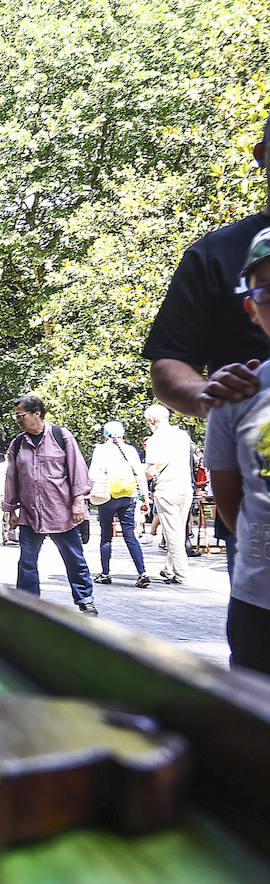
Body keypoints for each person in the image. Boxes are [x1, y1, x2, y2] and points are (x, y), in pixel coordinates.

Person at [144, 112, 270, 574]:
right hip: (259, 487)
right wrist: (212, 396)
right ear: (262, 156)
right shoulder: (215, 255)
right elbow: (168, 363)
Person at [205, 226, 270, 674]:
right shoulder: (236, 396)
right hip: (259, 606)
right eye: (267, 291)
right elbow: (232, 508)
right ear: (252, 308)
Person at [2, 395, 97, 615]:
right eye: (16, 415)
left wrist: (78, 502)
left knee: (74, 558)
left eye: (21, 415)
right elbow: (12, 477)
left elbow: (78, 471)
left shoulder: (61, 436)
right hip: (29, 513)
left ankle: (85, 599)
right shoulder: (18, 443)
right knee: (27, 560)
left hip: (61, 512)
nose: (17, 419)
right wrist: (10, 510)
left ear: (37, 413)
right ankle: (27, 602)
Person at [87, 421, 150, 588]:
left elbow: (92, 474)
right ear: (123, 434)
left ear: (105, 434)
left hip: (107, 497)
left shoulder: (100, 450)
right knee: (130, 534)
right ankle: (142, 573)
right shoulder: (130, 450)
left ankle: (105, 573)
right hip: (128, 496)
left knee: (106, 535)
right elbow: (139, 474)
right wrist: (145, 496)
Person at [143, 404, 193, 584]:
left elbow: (152, 469)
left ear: (152, 421)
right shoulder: (182, 435)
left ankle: (182, 574)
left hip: (167, 490)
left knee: (173, 534)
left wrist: (140, 474)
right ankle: (169, 568)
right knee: (179, 529)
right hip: (185, 488)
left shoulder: (155, 440)